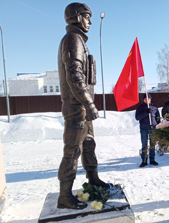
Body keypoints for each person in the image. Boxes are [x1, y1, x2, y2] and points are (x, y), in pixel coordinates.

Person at [57, 3, 108, 209]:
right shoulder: (72, 40)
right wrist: (89, 103)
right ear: (77, 17)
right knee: (72, 151)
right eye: (87, 16)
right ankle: (64, 195)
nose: (91, 21)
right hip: (77, 107)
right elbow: (75, 77)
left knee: (88, 145)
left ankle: (93, 178)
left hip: (83, 108)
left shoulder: (79, 40)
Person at [135, 93, 160, 167]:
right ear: (143, 100)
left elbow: (157, 117)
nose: (146, 100)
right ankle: (144, 160)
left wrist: (158, 126)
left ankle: (152, 159)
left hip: (153, 128)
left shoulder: (154, 107)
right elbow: (137, 117)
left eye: (148, 99)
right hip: (144, 129)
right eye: (145, 99)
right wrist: (146, 112)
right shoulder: (140, 107)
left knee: (152, 144)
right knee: (144, 145)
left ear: (150, 99)